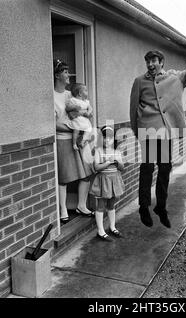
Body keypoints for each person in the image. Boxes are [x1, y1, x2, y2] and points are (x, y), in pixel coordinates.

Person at [130, 30, 186, 229]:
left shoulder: (175, 78)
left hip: (166, 132)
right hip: (149, 131)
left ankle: (160, 207)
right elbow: (133, 108)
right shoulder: (139, 82)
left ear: (161, 62)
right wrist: (137, 132)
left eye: (154, 61)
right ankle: (144, 207)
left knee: (165, 168)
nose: (150, 65)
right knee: (148, 168)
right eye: (147, 62)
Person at [53, 59, 95, 224]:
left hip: (79, 139)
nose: (68, 74)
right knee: (64, 176)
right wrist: (70, 129)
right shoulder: (52, 96)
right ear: (57, 75)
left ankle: (81, 206)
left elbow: (84, 108)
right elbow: (53, 123)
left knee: (86, 173)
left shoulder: (71, 94)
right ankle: (63, 209)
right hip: (63, 140)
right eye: (64, 72)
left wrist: (85, 117)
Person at [90, 126, 125, 241]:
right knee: (100, 206)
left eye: (109, 138)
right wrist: (108, 162)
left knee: (111, 204)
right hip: (103, 180)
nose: (107, 140)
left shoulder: (116, 151)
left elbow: (122, 168)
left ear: (113, 139)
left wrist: (117, 162)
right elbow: (96, 167)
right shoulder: (98, 151)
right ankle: (100, 231)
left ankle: (112, 227)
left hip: (114, 180)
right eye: (104, 138)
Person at [65, 83, 94, 151]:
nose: (87, 92)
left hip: (84, 119)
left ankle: (82, 141)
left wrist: (88, 112)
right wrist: (74, 107)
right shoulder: (73, 100)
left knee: (89, 129)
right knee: (76, 129)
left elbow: (90, 108)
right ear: (80, 93)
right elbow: (67, 108)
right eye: (86, 90)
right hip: (77, 119)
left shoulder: (86, 101)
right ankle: (74, 144)